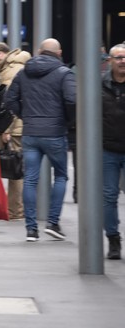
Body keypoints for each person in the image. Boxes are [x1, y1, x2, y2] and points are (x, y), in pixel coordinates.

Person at [3, 38, 76, 242]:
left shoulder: (24, 72)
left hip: (31, 132)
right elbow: (72, 100)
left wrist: (25, 116)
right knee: (61, 176)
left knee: (30, 179)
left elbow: (10, 100)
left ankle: (31, 229)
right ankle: (53, 222)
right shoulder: (64, 73)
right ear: (59, 53)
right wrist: (66, 122)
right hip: (55, 133)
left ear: (39, 51)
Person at [0, 42, 31, 220]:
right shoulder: (17, 67)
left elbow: (9, 103)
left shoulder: (11, 72)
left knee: (15, 171)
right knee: (20, 169)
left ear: (1, 54)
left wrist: (6, 129)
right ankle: (18, 209)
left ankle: (15, 211)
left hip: (15, 127)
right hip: (21, 124)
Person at [101, 43, 125, 259]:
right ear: (110, 61)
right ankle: (113, 238)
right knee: (108, 196)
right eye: (118, 57)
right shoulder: (100, 85)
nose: (123, 61)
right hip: (107, 149)